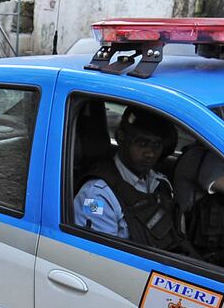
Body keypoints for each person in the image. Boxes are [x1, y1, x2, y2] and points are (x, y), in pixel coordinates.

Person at [73, 106, 185, 249]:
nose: (150, 153)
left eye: (157, 145)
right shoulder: (98, 195)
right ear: (121, 137)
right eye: (142, 144)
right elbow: (99, 258)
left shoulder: (160, 183)